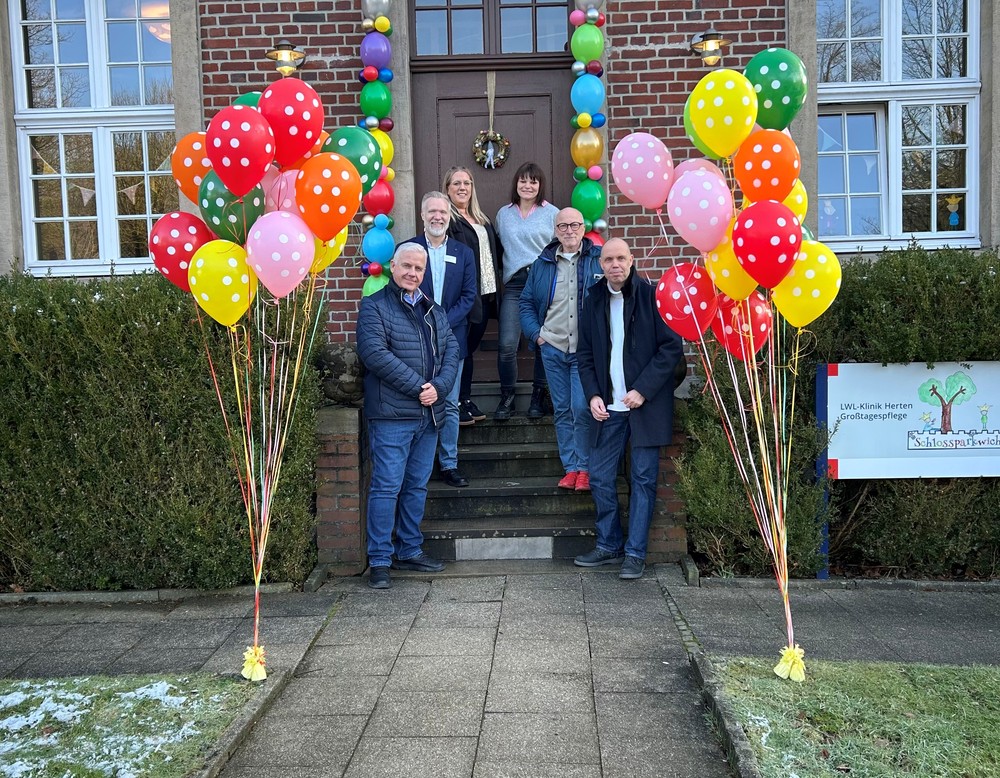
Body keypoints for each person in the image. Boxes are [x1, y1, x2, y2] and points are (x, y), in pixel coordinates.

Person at [574, 238, 684, 580]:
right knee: (601, 477)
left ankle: (635, 553)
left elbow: (671, 349)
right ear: (601, 264)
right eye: (608, 259)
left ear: (631, 260)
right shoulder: (592, 300)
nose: (615, 264)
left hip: (643, 407)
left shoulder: (651, 297)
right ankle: (609, 545)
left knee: (643, 479)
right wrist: (592, 393)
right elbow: (586, 354)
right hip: (607, 407)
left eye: (621, 258)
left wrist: (643, 390)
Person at [356, 242, 459, 590]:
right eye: (407, 267)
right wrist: (420, 386)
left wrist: (439, 388)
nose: (413, 273)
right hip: (391, 416)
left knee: (415, 486)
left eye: (419, 268)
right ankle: (381, 560)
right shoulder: (374, 307)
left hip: (429, 416)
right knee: (386, 487)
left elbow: (452, 352)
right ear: (393, 266)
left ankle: (410, 550)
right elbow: (374, 354)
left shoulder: (435, 310)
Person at [519, 207, 603, 492]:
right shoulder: (542, 263)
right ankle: (571, 469)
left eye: (574, 225)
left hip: (584, 351)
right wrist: (537, 335)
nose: (569, 230)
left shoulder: (597, 259)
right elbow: (526, 302)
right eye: (563, 226)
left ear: (583, 228)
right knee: (562, 410)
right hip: (552, 347)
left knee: (582, 407)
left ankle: (586, 467)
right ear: (556, 230)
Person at [403, 191, 477, 488]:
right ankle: (417, 462)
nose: (437, 217)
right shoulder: (407, 249)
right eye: (432, 211)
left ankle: (448, 463)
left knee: (449, 402)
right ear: (422, 215)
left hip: (451, 340)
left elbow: (469, 295)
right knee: (416, 398)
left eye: (443, 213)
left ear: (450, 217)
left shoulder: (463, 253)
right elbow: (403, 292)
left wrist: (442, 322)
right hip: (413, 340)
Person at [493, 162, 559, 420]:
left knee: (542, 341)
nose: (528, 186)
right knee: (507, 344)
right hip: (514, 285)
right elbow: (498, 248)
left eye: (533, 181)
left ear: (540, 185)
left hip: (542, 284)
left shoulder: (552, 213)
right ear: (516, 184)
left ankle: (538, 397)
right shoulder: (503, 214)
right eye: (523, 180)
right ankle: (507, 397)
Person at [443, 165, 503, 426]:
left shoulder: (481, 218)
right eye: (456, 183)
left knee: (469, 349)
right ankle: (458, 399)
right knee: (461, 350)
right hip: (467, 297)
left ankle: (464, 398)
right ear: (447, 189)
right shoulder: (449, 220)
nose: (462, 188)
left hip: (488, 295)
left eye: (466, 183)